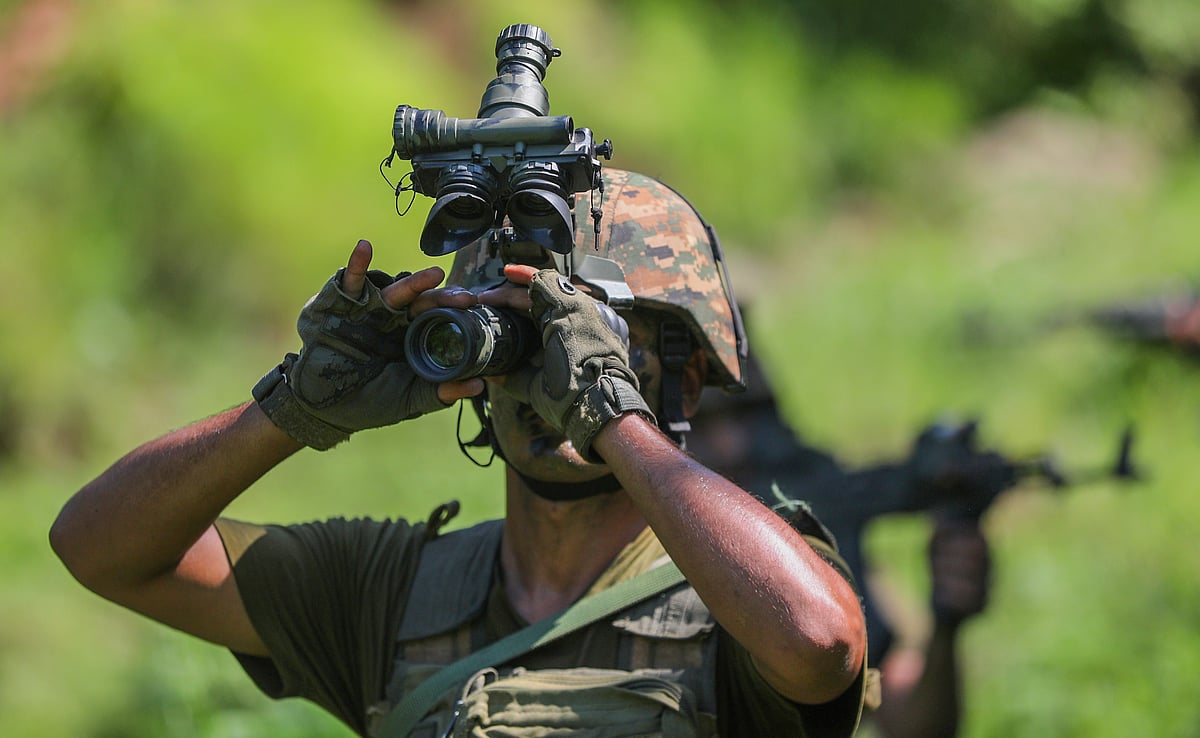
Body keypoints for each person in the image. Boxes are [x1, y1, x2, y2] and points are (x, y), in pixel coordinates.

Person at [50, 168, 870, 737]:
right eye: (529, 343)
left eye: (600, 345)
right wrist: (293, 407)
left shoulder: (732, 588)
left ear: (688, 377)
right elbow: (98, 548)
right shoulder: (390, 594)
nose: (552, 379)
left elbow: (818, 642)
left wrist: (611, 415)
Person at [687, 346, 992, 738]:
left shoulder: (815, 541)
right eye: (700, 419)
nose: (731, 444)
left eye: (750, 415)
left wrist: (946, 626)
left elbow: (913, 722)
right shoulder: (622, 549)